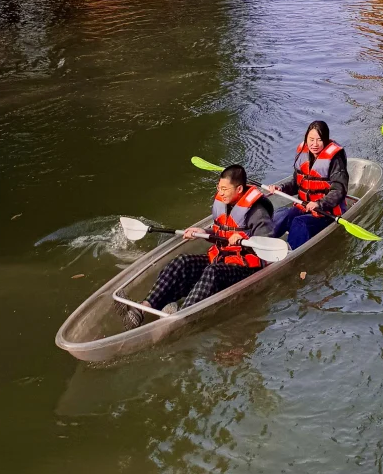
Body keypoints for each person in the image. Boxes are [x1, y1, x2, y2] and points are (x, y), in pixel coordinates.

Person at [122, 165, 274, 328]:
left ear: (239, 189)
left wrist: (246, 242)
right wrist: (202, 231)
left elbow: (268, 246)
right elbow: (220, 232)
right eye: (219, 187)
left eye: (224, 189)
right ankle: (144, 308)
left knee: (212, 272)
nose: (220, 192)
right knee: (181, 262)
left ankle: (179, 319)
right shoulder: (224, 203)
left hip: (245, 267)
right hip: (221, 258)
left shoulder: (257, 212)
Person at [267, 120, 350, 249]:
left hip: (325, 212)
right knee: (282, 215)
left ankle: (290, 255)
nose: (314, 144)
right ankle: (257, 246)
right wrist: (281, 188)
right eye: (311, 139)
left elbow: (339, 190)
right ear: (306, 138)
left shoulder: (335, 159)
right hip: (304, 206)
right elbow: (296, 183)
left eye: (319, 140)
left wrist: (319, 203)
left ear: (326, 140)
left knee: (299, 223)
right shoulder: (303, 153)